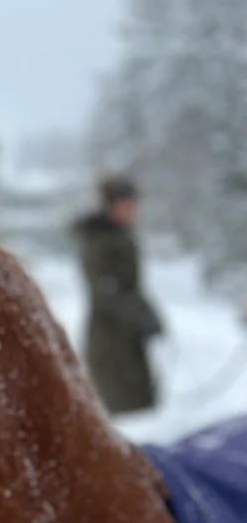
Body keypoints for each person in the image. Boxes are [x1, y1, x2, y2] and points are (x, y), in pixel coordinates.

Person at [72, 174, 164, 414]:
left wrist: (147, 313)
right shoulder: (98, 239)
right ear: (113, 204)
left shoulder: (119, 234)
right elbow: (106, 288)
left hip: (127, 335)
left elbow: (128, 286)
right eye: (129, 204)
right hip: (110, 340)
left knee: (142, 404)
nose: (134, 210)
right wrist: (138, 315)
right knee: (124, 412)